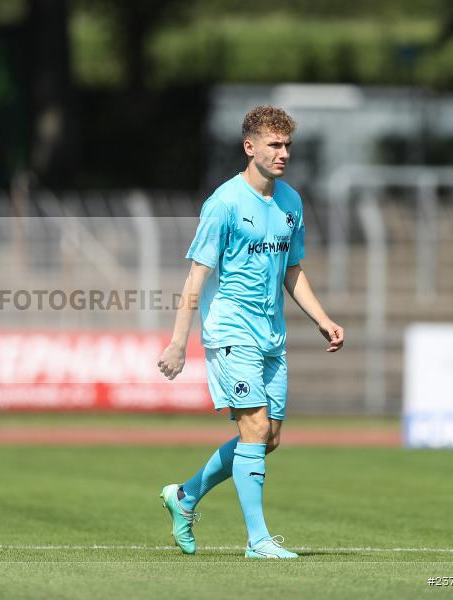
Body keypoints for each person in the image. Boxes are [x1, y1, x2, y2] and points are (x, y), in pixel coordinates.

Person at [157, 106, 344, 559]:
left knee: (267, 437)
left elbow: (292, 270)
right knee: (255, 428)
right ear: (250, 147)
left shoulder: (291, 203)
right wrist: (178, 342)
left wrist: (322, 318)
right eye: (275, 145)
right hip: (230, 332)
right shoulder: (223, 203)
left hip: (271, 337)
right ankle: (258, 541)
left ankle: (183, 498)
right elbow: (196, 277)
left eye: (287, 146)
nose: (284, 154)